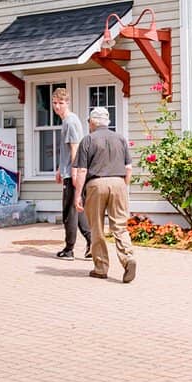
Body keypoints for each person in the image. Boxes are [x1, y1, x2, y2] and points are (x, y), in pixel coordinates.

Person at [72, 107, 137, 283]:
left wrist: (77, 195)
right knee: (120, 226)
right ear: (107, 122)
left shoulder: (88, 140)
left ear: (92, 122)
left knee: (97, 228)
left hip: (96, 184)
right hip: (118, 182)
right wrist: (124, 187)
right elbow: (129, 168)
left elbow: (82, 170)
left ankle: (101, 268)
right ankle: (128, 257)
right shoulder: (121, 139)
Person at [52, 88, 91, 260]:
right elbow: (67, 151)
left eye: (60, 103)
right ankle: (92, 244)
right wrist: (61, 168)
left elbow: (75, 148)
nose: (57, 106)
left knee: (69, 213)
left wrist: (74, 173)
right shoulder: (67, 121)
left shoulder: (70, 121)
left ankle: (69, 250)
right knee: (78, 210)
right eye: (54, 103)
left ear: (67, 103)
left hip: (73, 174)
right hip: (68, 171)